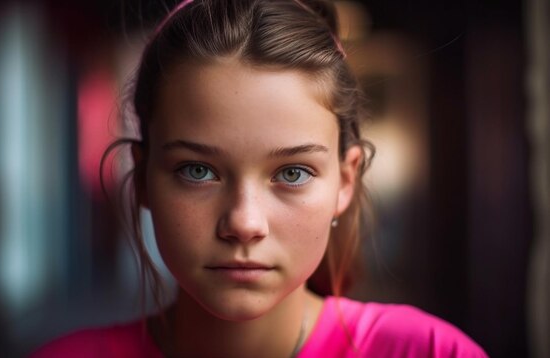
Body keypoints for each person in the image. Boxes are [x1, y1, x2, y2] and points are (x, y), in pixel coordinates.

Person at [32, 0, 488, 356]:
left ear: (345, 182)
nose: (245, 223)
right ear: (145, 177)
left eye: (292, 172)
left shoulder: (428, 352)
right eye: (198, 170)